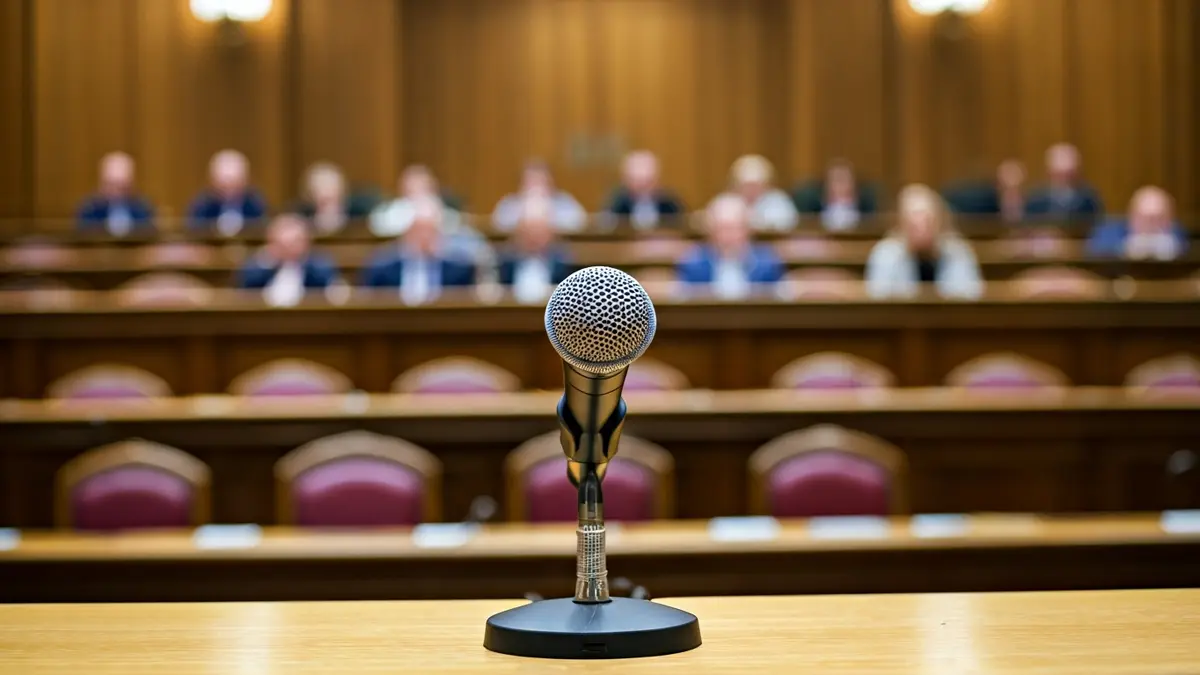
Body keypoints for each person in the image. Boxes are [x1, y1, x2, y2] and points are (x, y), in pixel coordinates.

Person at [865, 184, 983, 300]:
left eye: (928, 222)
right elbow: (877, 301)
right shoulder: (885, 255)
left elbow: (972, 299)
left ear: (940, 222)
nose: (922, 230)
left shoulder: (959, 253)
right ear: (902, 225)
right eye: (914, 225)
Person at [361, 196, 477, 305]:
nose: (424, 237)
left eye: (430, 230)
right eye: (419, 230)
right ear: (407, 233)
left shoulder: (459, 270)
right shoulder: (382, 268)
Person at [676, 193, 784, 299]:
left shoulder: (767, 263)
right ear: (710, 232)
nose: (727, 236)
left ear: (748, 230)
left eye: (734, 229)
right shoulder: (693, 262)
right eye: (721, 229)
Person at [236, 214, 339, 307]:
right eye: (282, 245)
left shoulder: (319, 266)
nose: (288, 250)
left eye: (294, 243)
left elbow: (329, 289)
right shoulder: (260, 265)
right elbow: (245, 288)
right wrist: (266, 262)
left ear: (306, 243)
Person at [497, 196, 575, 304]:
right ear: (519, 234)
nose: (534, 237)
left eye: (539, 232)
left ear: (549, 234)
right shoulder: (505, 262)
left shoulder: (563, 263)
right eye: (529, 231)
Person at [1087, 186, 1188, 261]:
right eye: (1146, 218)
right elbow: (1095, 252)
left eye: (1159, 218)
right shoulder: (1110, 232)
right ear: (1132, 217)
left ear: (1170, 219)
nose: (1152, 225)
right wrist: (1126, 248)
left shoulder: (1178, 234)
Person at [188, 150, 268, 236]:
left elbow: (264, 230)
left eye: (234, 183)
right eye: (223, 186)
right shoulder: (202, 205)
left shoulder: (256, 204)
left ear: (245, 181)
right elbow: (192, 232)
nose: (229, 192)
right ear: (212, 182)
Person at [492, 160, 587, 233]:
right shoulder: (509, 204)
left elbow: (580, 222)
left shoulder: (564, 203)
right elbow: (497, 224)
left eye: (540, 182)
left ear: (551, 184)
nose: (535, 187)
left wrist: (548, 215)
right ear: (520, 185)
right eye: (530, 182)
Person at [77, 152, 155, 236]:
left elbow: (151, 236)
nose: (116, 193)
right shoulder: (89, 209)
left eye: (122, 186)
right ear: (101, 184)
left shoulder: (143, 208)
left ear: (131, 184)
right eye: (110, 185)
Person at [604, 150, 685, 230]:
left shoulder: (670, 203)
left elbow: (683, 226)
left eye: (648, 182)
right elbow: (606, 228)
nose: (643, 188)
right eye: (637, 182)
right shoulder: (617, 203)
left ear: (657, 180)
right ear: (625, 181)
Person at [1024, 143, 1104, 222]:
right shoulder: (1035, 199)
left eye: (1068, 174)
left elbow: (1096, 227)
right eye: (1058, 175)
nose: (1063, 180)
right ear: (1048, 172)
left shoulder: (1089, 199)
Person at [793, 159, 878, 232]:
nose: (840, 186)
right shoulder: (813, 207)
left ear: (853, 184)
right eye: (836, 180)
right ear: (826, 185)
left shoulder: (865, 206)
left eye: (844, 180)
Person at [294, 162, 376, 235]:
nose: (326, 192)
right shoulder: (300, 215)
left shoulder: (361, 211)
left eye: (330, 185)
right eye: (320, 186)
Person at [728, 154, 798, 232]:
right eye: (746, 186)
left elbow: (785, 225)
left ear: (766, 185)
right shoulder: (726, 202)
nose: (751, 190)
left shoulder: (779, 201)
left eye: (755, 186)